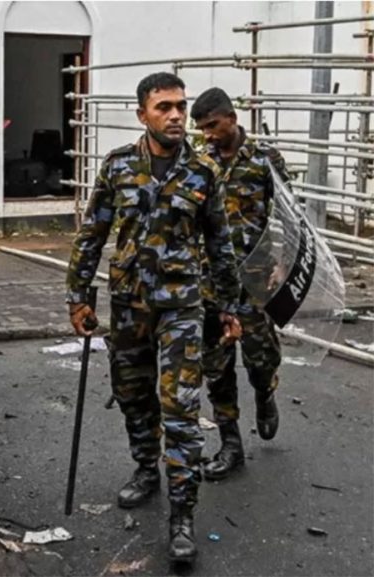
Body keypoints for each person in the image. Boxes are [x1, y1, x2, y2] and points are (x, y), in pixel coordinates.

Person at [66, 72, 242, 564]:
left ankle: (182, 516)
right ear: (142, 113)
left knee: (181, 409)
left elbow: (220, 244)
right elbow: (92, 233)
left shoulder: (203, 171)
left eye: (181, 106)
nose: (176, 116)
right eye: (164, 107)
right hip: (129, 304)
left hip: (182, 307)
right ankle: (146, 468)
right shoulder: (118, 165)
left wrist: (229, 306)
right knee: (133, 395)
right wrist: (78, 297)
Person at [190, 87, 288, 480]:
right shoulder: (200, 162)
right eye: (202, 129)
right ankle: (230, 444)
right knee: (216, 367)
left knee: (261, 359)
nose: (208, 134)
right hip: (211, 282)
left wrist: (284, 262)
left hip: (256, 279)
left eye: (213, 125)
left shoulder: (265, 159)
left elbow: (289, 213)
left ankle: (265, 393)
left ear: (231, 118)